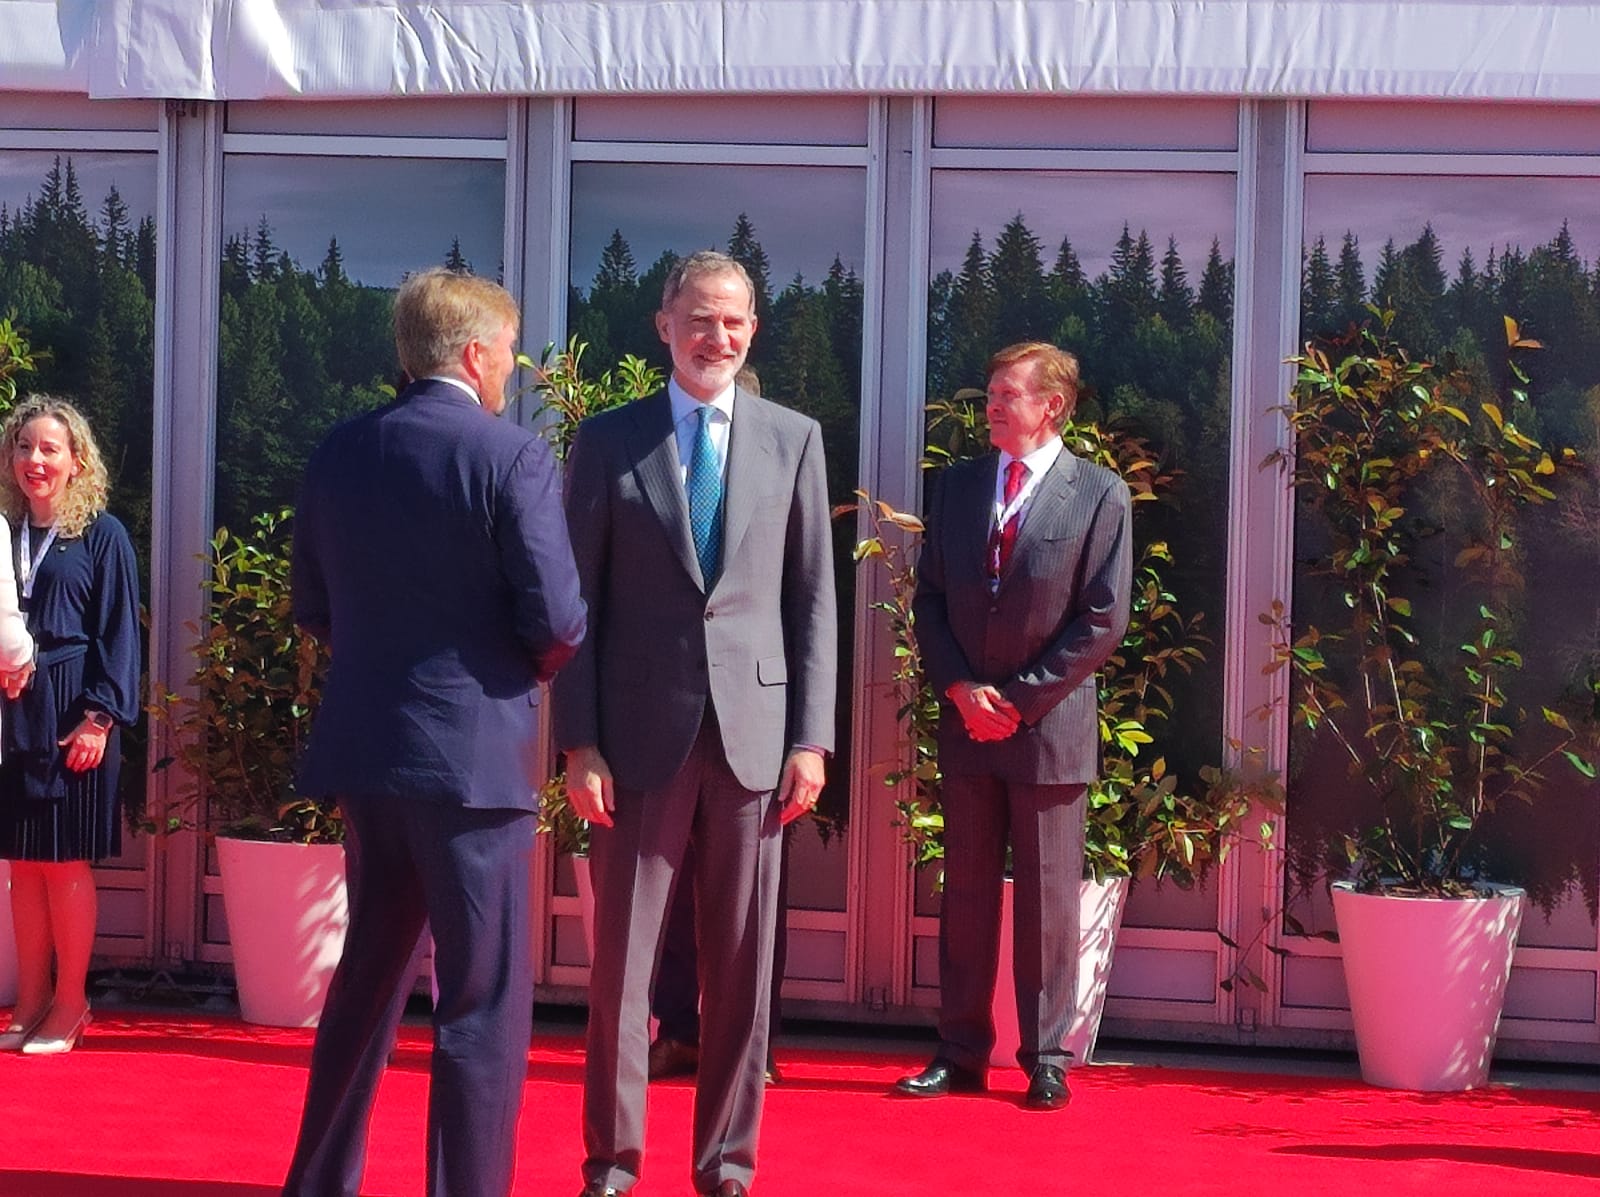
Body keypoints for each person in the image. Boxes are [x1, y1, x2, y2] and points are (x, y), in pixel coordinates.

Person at [281, 267, 586, 1197]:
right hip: (474, 762)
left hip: (371, 755)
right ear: (474, 353)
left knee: (365, 984)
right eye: (505, 353)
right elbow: (560, 620)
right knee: (481, 1004)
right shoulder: (509, 456)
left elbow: (314, 605)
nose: (510, 372)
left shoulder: (339, 452)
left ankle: (321, 1181)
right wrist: (508, 677)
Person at [555, 249, 836, 1197]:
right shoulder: (606, 441)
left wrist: (812, 738)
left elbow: (813, 602)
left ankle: (726, 1161)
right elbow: (576, 605)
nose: (720, 335)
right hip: (636, 738)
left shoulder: (793, 438)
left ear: (754, 330)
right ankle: (612, 1159)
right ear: (664, 325)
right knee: (621, 973)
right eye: (702, 318)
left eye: (737, 320)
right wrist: (578, 740)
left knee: (742, 969)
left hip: (757, 740)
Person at [892, 341, 1131, 1111]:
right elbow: (930, 598)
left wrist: (1019, 700)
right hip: (968, 725)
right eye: (989, 393)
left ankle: (1047, 1055)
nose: (989, 406)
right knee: (964, 893)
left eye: (1005, 394)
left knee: (1046, 899)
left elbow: (1103, 619)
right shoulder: (958, 487)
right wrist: (962, 688)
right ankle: (960, 1051)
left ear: (1051, 405)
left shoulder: (1099, 494)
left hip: (1047, 730)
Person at [647, 363, 789, 1090]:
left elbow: (804, 606)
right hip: (665, 724)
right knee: (670, 899)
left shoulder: (786, 464)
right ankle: (675, 1029)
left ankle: (749, 1045)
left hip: (753, 726)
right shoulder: (654, 464)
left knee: (750, 907)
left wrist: (807, 738)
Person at [0, 396, 140, 1056]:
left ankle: (72, 1000)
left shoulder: (102, 534)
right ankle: (28, 1000)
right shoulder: (4, 531)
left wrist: (101, 717)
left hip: (73, 709)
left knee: (63, 862)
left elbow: (118, 632)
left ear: (75, 460)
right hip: (14, 711)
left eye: (49, 448)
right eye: (25, 446)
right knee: (22, 866)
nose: (35, 459)